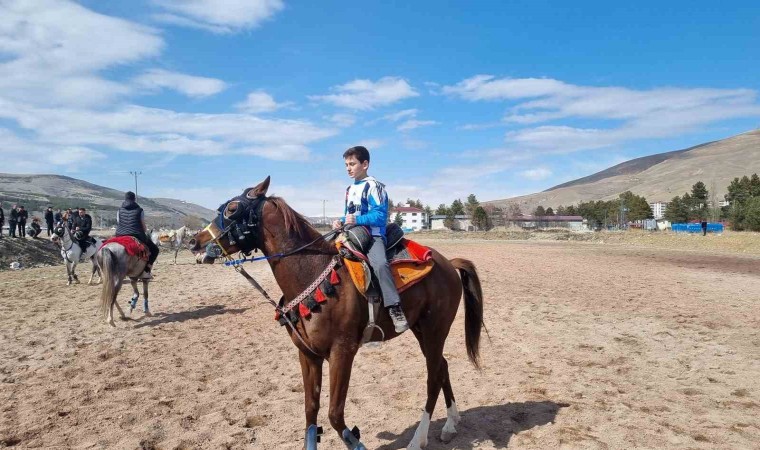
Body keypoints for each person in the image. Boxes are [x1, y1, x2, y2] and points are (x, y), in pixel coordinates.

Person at [332, 145, 409, 333]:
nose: (348, 168)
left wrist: (356, 220)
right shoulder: (349, 189)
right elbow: (349, 214)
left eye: (352, 164)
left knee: (380, 264)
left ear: (365, 164)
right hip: (352, 233)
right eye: (346, 165)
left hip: (374, 236)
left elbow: (380, 216)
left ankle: (394, 308)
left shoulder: (374, 186)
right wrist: (340, 221)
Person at [115, 191, 159, 279]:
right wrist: (144, 231)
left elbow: (119, 222)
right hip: (136, 234)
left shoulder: (119, 210)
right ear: (134, 199)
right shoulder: (140, 210)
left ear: (125, 199)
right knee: (155, 250)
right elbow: (143, 226)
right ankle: (146, 270)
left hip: (120, 234)